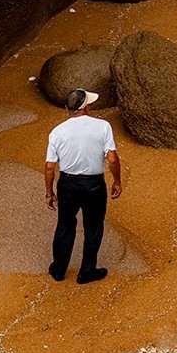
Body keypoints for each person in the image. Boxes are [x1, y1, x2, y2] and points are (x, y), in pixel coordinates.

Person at [44, 88, 122, 284]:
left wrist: (49, 193)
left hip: (68, 184)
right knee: (93, 227)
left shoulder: (57, 132)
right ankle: (87, 271)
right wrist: (117, 181)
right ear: (86, 107)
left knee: (65, 225)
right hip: (94, 184)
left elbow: (49, 167)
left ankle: (59, 269)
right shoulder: (103, 126)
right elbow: (112, 159)